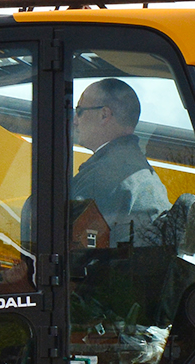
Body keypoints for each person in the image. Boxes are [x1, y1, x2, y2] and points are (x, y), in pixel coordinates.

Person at [72, 78, 170, 245]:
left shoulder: (104, 177)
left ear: (104, 115)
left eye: (80, 110)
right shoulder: (135, 169)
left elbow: (77, 251)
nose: (75, 120)